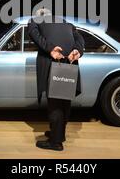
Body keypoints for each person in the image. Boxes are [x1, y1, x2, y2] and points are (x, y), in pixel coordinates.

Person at [27, 9, 85, 151]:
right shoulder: (67, 24)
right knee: (64, 102)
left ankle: (55, 143)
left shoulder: (34, 21)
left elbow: (34, 35)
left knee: (55, 104)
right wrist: (77, 50)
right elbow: (80, 39)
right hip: (70, 63)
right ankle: (58, 134)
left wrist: (50, 48)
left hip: (52, 63)